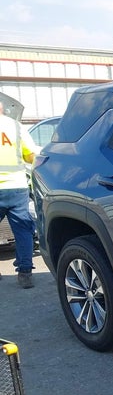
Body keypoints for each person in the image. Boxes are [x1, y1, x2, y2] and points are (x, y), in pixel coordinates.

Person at [0, 101, 37, 289]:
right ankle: (25, 274)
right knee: (23, 230)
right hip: (16, 187)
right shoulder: (15, 126)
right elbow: (31, 155)